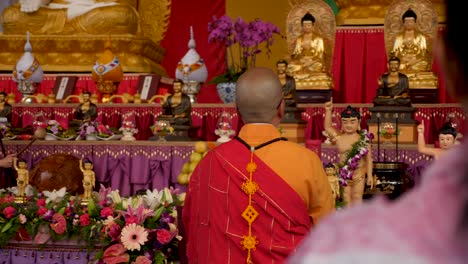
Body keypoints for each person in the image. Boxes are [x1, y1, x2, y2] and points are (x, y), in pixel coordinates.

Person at [288, 1, 468, 262]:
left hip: (413, 76)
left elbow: (413, 62)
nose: (408, 26)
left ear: (447, 64)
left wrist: (370, 172)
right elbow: (302, 61)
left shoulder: (341, 247)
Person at [183, 67, 335, 263]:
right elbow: (327, 233)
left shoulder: (208, 164)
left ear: (236, 108)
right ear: (282, 107)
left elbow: (193, 224)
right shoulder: (307, 162)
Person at [324, 100, 374, 207]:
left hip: (359, 173)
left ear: (358, 122)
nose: (349, 125)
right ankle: (347, 219)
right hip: (344, 173)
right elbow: (328, 128)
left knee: (357, 196)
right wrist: (328, 111)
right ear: (341, 123)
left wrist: (369, 175)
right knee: (346, 196)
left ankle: (358, 219)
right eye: (345, 122)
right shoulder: (339, 137)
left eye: (352, 121)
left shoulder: (363, 139)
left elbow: (369, 159)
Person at [2, 0, 138, 35]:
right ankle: (71, 30)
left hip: (94, 12)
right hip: (54, 13)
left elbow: (125, 5)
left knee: (122, 15)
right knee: (11, 16)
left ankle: (64, 32)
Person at [288, 12, 326, 79]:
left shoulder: (319, 39)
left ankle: (303, 74)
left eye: (309, 25)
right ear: (302, 26)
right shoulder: (299, 39)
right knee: (290, 67)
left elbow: (320, 56)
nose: (307, 27)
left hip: (314, 63)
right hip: (302, 62)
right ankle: (307, 73)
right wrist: (301, 59)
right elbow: (295, 54)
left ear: (313, 26)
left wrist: (310, 61)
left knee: (319, 66)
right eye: (305, 25)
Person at [392, 8, 430, 73]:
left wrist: (413, 61)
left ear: (415, 23)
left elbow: (423, 55)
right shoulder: (399, 37)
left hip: (416, 61)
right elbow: (395, 54)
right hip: (403, 61)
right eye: (406, 22)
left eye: (411, 22)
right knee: (394, 65)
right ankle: (406, 68)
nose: (408, 24)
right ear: (403, 23)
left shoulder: (421, 37)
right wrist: (403, 59)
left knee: (425, 63)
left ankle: (407, 68)